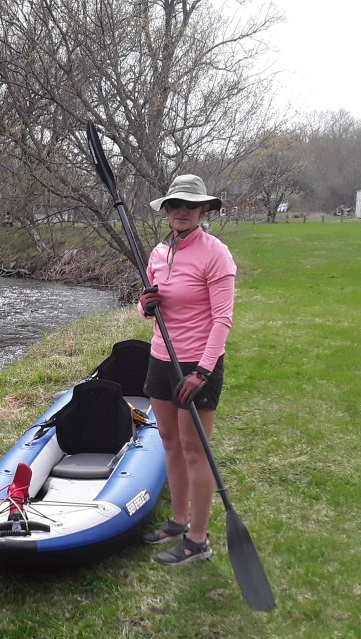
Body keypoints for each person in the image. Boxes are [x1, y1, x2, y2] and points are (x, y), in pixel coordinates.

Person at [137, 174, 236, 566]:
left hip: (197, 364)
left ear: (203, 211)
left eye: (190, 206)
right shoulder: (159, 253)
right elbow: (149, 310)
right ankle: (178, 522)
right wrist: (145, 305)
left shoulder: (216, 254)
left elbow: (222, 320)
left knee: (195, 450)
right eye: (174, 204)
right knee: (169, 441)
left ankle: (198, 539)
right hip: (161, 358)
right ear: (166, 209)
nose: (181, 211)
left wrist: (203, 371)